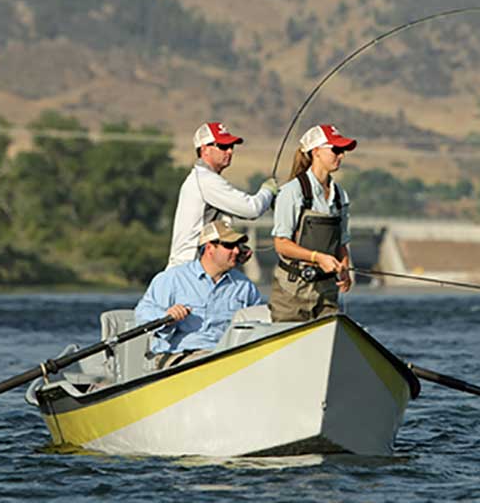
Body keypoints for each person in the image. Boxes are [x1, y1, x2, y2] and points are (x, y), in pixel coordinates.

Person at [136, 221, 265, 369]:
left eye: (238, 246)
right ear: (209, 247)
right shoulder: (172, 278)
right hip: (179, 357)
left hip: (227, 359)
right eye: (229, 246)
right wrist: (166, 316)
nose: (236, 251)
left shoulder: (245, 286)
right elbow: (141, 314)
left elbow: (260, 326)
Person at [269, 124, 355, 322]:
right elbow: (281, 244)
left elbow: (341, 242)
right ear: (315, 151)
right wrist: (317, 257)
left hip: (327, 291)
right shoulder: (292, 191)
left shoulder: (340, 195)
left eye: (343, 151)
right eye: (336, 150)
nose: (341, 155)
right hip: (291, 291)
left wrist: (345, 267)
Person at [167, 121, 278, 268]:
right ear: (205, 149)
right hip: (188, 271)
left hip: (195, 268)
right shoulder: (206, 180)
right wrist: (268, 191)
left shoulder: (203, 179)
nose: (230, 151)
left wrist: (233, 248)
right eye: (223, 146)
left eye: (231, 147)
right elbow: (252, 209)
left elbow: (212, 229)